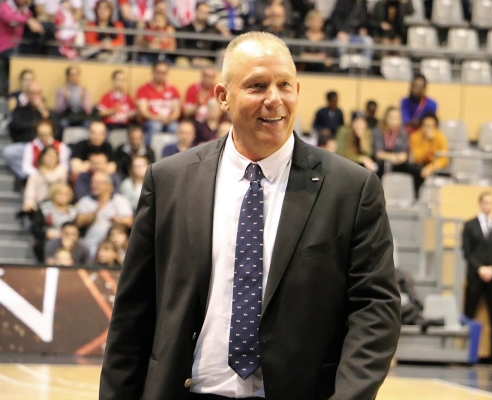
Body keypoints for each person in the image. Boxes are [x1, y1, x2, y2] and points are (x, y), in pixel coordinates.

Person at [100, 31, 401, 400]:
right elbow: (133, 313)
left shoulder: (352, 189)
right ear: (223, 97)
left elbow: (376, 310)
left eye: (284, 85)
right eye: (257, 85)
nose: (274, 99)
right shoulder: (168, 182)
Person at [462, 191, 492, 365]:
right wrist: (480, 268)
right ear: (480, 203)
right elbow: (467, 251)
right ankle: (466, 352)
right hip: (475, 276)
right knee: (469, 313)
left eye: (491, 203)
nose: (488, 206)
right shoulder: (469, 225)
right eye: (486, 203)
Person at [76, 170, 133, 253]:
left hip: (114, 247)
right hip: (91, 246)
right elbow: (79, 222)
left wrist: (117, 220)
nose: (93, 186)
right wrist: (96, 211)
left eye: (98, 183)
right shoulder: (86, 201)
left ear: (108, 185)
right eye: (92, 183)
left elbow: (129, 221)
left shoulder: (119, 200)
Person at [0, 0, 43, 96]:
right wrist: (27, 20)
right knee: (17, 53)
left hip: (17, 45)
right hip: (4, 47)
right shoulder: (4, 7)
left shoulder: (24, 9)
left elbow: (31, 17)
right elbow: (10, 19)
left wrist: (30, 17)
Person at [136, 61, 181, 146]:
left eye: (164, 73)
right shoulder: (143, 89)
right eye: (158, 72)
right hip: (150, 121)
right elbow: (143, 111)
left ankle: (173, 154)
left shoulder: (173, 90)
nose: (161, 75)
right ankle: (149, 152)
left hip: (169, 121)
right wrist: (158, 118)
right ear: (153, 72)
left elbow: (177, 112)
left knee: (175, 127)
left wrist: (169, 119)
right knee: (156, 126)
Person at [31, 182, 77, 261]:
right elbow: (35, 227)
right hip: (49, 238)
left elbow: (76, 229)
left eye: (65, 194)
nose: (62, 197)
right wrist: (47, 234)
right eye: (60, 194)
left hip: (69, 237)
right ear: (53, 194)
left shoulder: (73, 211)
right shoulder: (44, 208)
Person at [175, 2, 227, 67]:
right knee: (181, 62)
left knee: (210, 67)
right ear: (196, 11)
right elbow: (181, 47)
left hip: (205, 61)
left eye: (206, 13)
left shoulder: (212, 31)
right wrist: (192, 59)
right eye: (201, 12)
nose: (203, 15)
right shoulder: (185, 29)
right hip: (187, 59)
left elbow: (223, 43)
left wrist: (223, 49)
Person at [22, 146, 69, 211]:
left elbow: (52, 179)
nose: (51, 159)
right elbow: (30, 192)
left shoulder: (61, 171)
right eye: (49, 156)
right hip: (40, 205)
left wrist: (45, 173)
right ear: (42, 157)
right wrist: (29, 203)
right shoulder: (35, 175)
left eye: (54, 156)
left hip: (57, 205)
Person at [329, 0, 373, 65]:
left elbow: (364, 21)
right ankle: (344, 69)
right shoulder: (343, 2)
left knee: (368, 41)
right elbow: (335, 17)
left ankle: (365, 67)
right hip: (341, 34)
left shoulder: (364, 4)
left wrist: (363, 29)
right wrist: (340, 31)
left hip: (356, 35)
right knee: (341, 45)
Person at [409, 113, 448, 180]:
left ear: (435, 127)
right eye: (425, 125)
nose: (427, 129)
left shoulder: (440, 137)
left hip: (434, 165)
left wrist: (430, 168)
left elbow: (443, 159)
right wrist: (426, 142)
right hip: (420, 164)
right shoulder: (415, 136)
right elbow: (416, 158)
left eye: (430, 126)